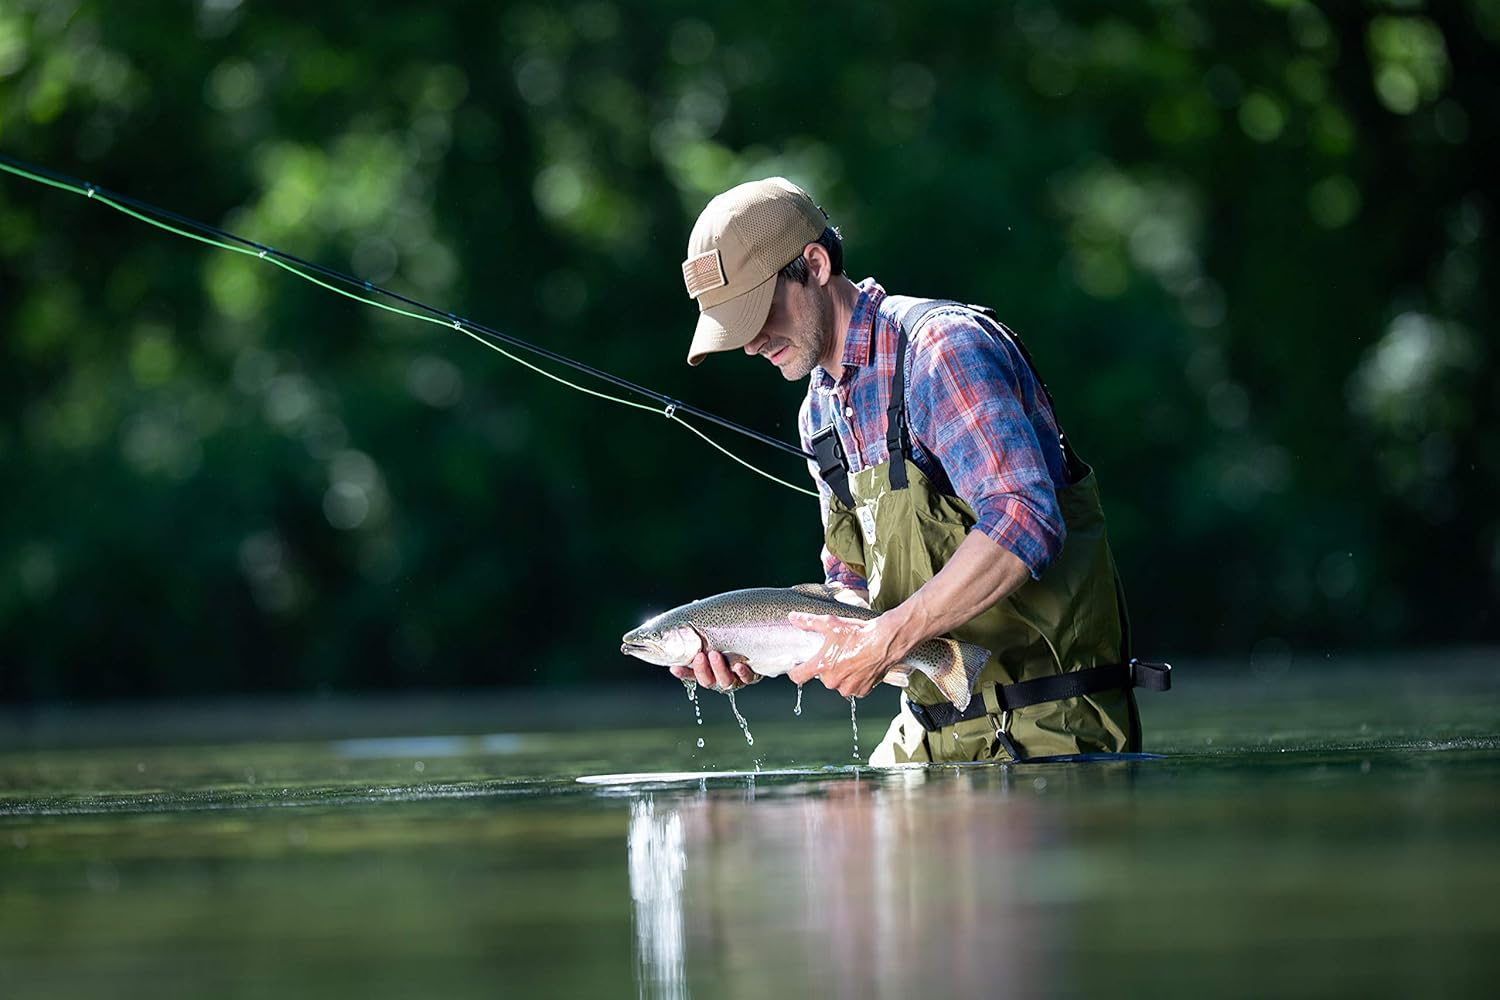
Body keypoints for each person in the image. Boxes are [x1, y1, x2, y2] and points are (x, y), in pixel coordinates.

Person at [668, 177, 1167, 763]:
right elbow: (854, 586)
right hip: (924, 734)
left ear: (816, 264)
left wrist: (889, 639)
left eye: (758, 312)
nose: (750, 342)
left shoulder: (941, 349)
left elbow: (1026, 519)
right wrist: (760, 649)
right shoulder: (819, 414)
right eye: (736, 325)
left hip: (1048, 730)